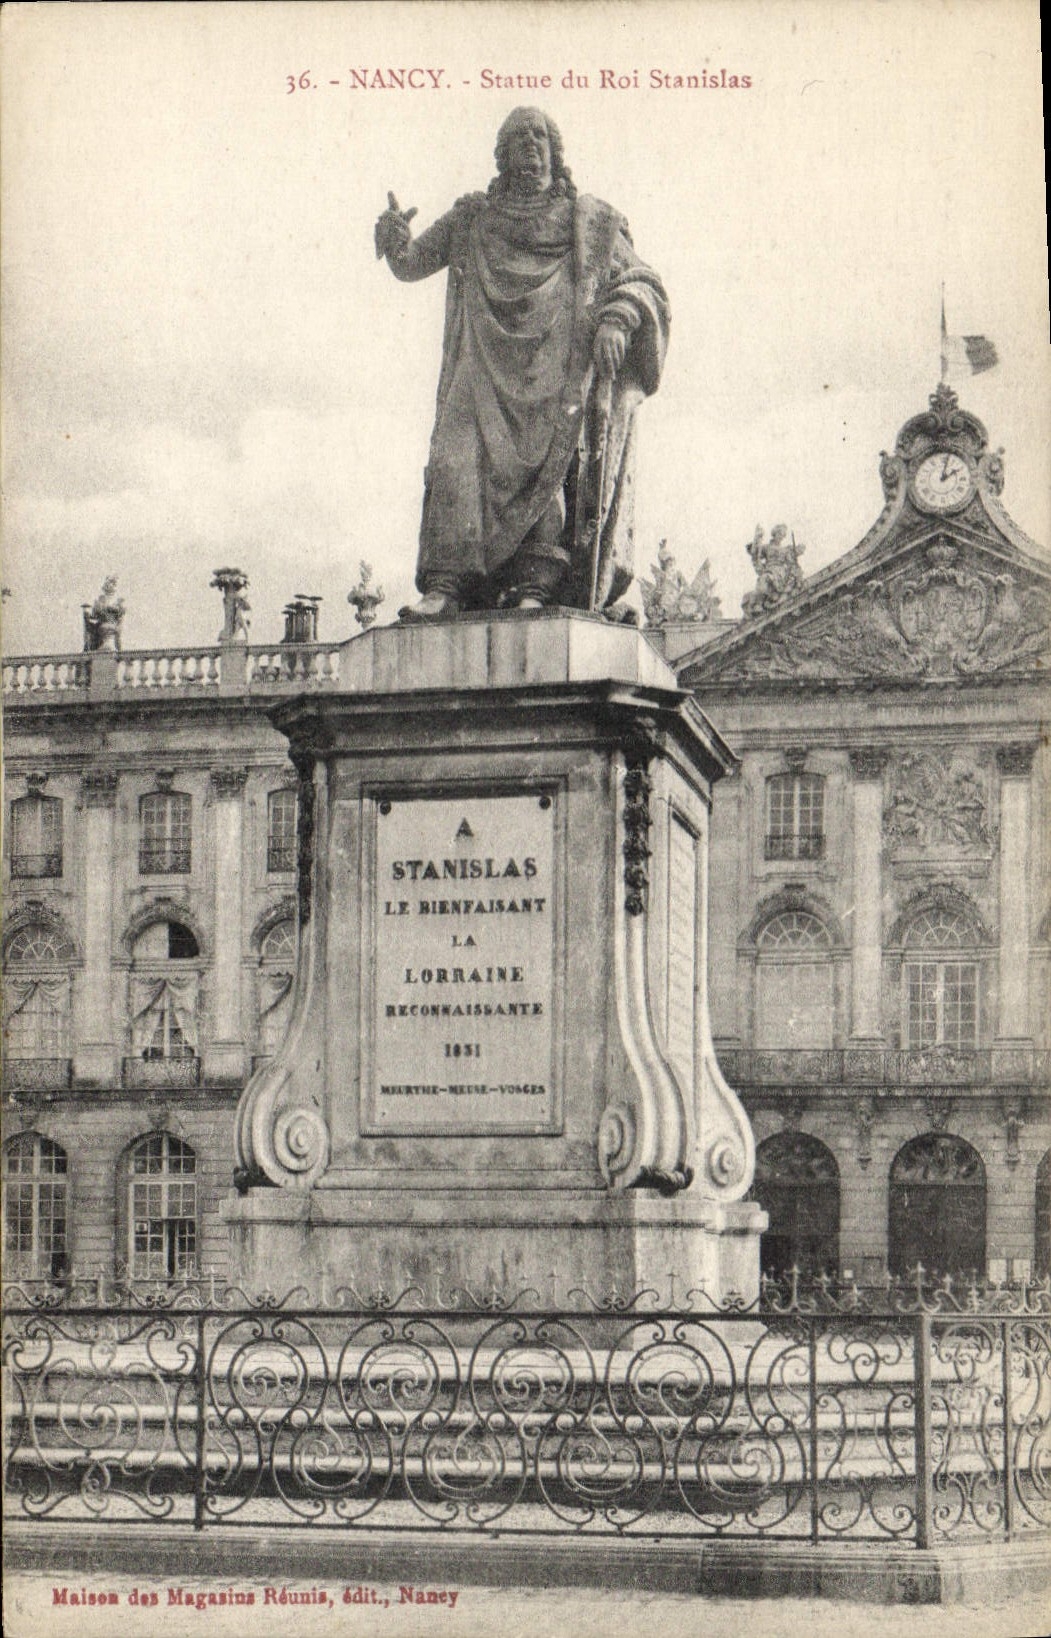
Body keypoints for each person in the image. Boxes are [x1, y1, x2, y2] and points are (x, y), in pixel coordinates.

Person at [375, 107, 669, 620]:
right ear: (502, 155)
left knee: (546, 469)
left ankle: (536, 582)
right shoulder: (473, 218)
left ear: (556, 152)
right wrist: (395, 238)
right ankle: (447, 584)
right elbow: (412, 263)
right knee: (453, 454)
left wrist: (618, 318)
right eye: (517, 137)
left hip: (556, 366)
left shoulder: (589, 220)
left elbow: (643, 280)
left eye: (539, 136)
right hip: (481, 363)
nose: (529, 145)